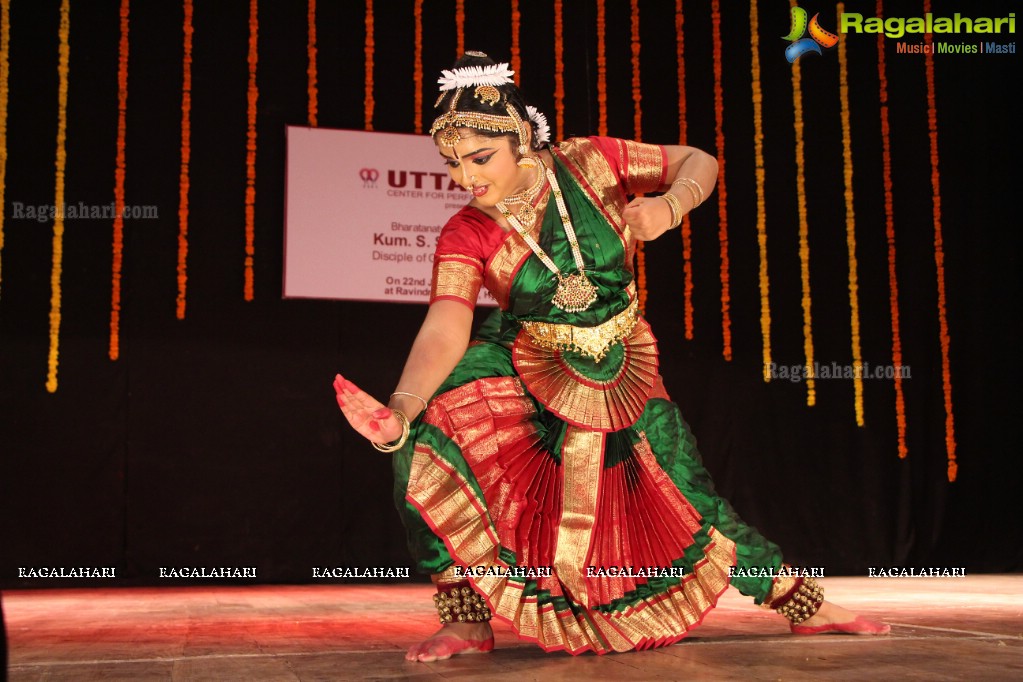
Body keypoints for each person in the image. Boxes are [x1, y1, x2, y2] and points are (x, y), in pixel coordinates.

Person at [333, 52, 889, 662]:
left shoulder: (592, 161)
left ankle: (798, 602)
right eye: (453, 163)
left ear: (520, 139)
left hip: (619, 358)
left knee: (685, 489)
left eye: (479, 158)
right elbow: (446, 325)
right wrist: (402, 408)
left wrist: (669, 206)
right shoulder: (469, 230)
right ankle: (465, 618)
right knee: (420, 440)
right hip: (521, 356)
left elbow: (698, 161)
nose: (466, 177)